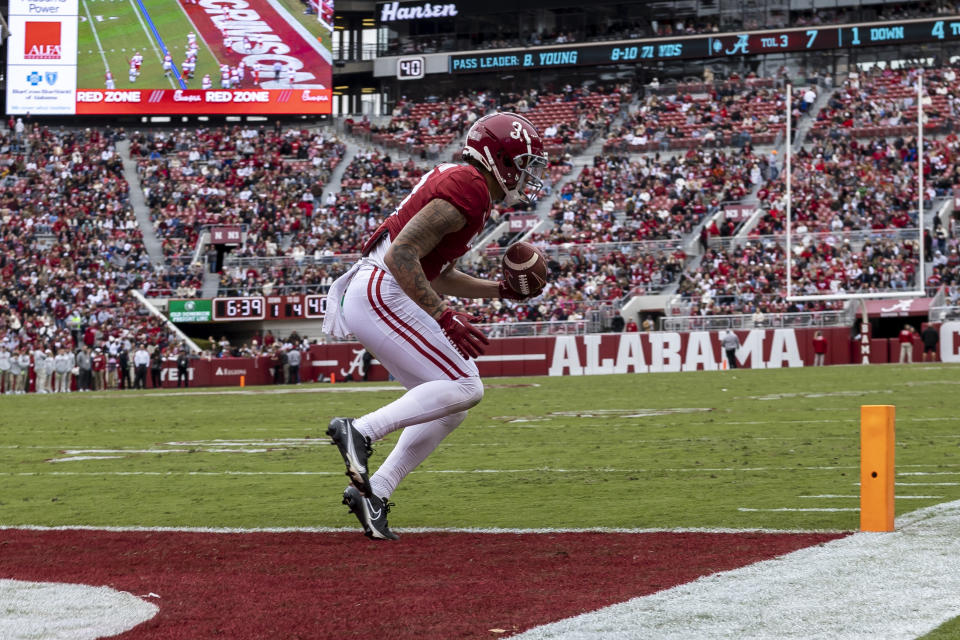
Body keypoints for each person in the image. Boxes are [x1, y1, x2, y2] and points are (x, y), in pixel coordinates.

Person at [321, 112, 548, 540]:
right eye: (522, 163)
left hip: (380, 290)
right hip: (382, 288)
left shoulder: (467, 184)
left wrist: (500, 291)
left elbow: (437, 272)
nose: (528, 175)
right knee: (467, 386)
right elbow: (400, 255)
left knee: (451, 404)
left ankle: (375, 492)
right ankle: (360, 431)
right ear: (498, 158)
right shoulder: (471, 186)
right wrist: (445, 315)